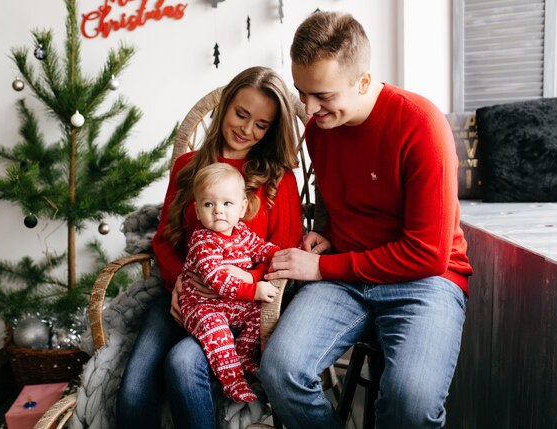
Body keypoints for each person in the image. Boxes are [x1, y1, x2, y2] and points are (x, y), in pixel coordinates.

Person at [259, 11, 473, 429]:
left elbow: (426, 255)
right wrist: (324, 231)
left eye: (321, 94)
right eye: (301, 92)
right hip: (346, 276)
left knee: (412, 404)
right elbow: (333, 193)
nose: (308, 108)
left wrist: (322, 267)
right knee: (279, 371)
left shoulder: (421, 126)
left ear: (362, 81)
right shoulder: (322, 126)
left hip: (425, 281)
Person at [116, 66, 303, 429]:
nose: (247, 130)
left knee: (182, 363)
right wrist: (178, 284)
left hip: (240, 307)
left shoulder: (278, 178)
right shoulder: (188, 167)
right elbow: (165, 240)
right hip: (184, 297)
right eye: (241, 114)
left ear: (271, 130)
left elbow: (283, 254)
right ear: (225, 106)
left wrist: (244, 279)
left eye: (261, 125)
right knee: (134, 386)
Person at [179, 163, 281, 403]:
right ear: (197, 209)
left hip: (235, 303)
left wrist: (280, 255)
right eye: (208, 204)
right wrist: (254, 289)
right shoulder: (202, 240)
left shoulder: (242, 232)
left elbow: (261, 249)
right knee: (218, 333)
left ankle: (245, 356)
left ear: (242, 207)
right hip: (202, 306)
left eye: (227, 203)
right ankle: (232, 381)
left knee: (260, 315)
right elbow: (218, 281)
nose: (218, 211)